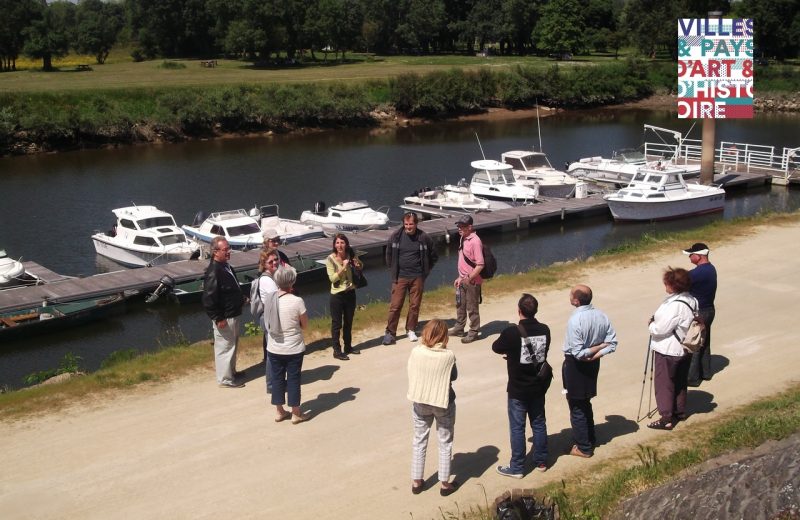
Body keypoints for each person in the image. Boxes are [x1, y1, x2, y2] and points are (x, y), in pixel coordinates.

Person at [492, 294, 551, 478]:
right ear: (536, 311)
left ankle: (517, 467)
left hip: (518, 389)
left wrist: (511, 352)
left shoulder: (512, 332)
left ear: (519, 311)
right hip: (538, 386)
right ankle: (541, 460)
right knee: (539, 423)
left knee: (518, 428)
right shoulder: (545, 330)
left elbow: (496, 347)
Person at [562, 284, 618, 458]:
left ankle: (583, 447)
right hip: (593, 363)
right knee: (585, 401)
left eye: (571, 294)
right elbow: (612, 343)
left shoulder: (575, 321)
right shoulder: (601, 315)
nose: (569, 296)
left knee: (577, 404)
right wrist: (599, 351)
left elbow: (579, 353)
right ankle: (589, 437)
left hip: (576, 365)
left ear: (576, 300)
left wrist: (593, 352)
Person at [407, 319, 459, 497]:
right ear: (444, 337)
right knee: (445, 443)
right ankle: (444, 484)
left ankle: (416, 481)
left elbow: (411, 371)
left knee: (419, 440)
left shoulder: (416, 352)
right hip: (443, 402)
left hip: (421, 400)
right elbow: (454, 376)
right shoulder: (448, 356)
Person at [647, 267, 697, 430]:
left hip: (669, 350)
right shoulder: (692, 300)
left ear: (673, 285)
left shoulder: (675, 305)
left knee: (664, 384)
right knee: (680, 381)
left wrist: (651, 325)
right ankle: (679, 411)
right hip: (685, 348)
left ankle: (666, 418)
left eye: (666, 283)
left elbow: (661, 329)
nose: (665, 286)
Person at [382, 212, 438, 345]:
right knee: (395, 306)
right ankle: (390, 333)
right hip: (400, 277)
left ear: (416, 224)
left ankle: (411, 329)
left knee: (414, 305)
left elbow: (434, 255)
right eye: (406, 224)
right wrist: (392, 270)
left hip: (417, 277)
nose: (408, 227)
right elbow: (388, 255)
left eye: (411, 224)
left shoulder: (424, 237)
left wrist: (426, 271)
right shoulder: (396, 236)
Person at [266, 266, 310, 424]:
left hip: (274, 347)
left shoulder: (270, 299)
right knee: (293, 378)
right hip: (293, 348)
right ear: (292, 282)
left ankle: (279, 411)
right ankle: (296, 412)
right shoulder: (297, 301)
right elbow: (304, 325)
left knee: (277, 378)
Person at [201, 236, 246, 388]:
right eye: (225, 249)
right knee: (225, 347)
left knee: (232, 345)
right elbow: (208, 298)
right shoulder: (214, 271)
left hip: (233, 313)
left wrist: (241, 298)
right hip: (225, 317)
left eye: (229, 248)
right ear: (215, 252)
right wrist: (218, 317)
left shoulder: (225, 266)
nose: (228, 251)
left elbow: (230, 288)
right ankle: (225, 379)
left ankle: (231, 372)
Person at [683, 242, 717, 386]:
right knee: (705, 341)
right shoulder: (711, 269)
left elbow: (680, 284)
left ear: (699, 256)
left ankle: (692, 378)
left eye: (691, 254)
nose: (689, 257)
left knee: (694, 344)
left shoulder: (696, 273)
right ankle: (706, 372)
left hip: (699, 313)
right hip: (709, 310)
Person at [326, 233, 364, 361]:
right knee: (337, 324)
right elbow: (332, 278)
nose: (340, 245)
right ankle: (337, 350)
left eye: (342, 242)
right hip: (337, 295)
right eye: (337, 243)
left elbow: (360, 266)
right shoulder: (330, 259)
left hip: (350, 293)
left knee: (349, 321)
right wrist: (343, 267)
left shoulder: (350, 255)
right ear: (334, 245)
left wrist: (358, 265)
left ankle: (348, 346)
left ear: (346, 244)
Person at [448, 215, 483, 344]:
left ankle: (474, 332)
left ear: (470, 227)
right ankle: (459, 328)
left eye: (462, 226)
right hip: (462, 279)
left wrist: (469, 277)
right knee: (460, 304)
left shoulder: (475, 241)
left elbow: (480, 264)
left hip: (472, 281)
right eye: (458, 226)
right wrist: (460, 277)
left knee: (472, 307)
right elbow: (464, 260)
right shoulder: (463, 238)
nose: (459, 229)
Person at [258, 248, 281, 394]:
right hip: (270, 318)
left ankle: (276, 381)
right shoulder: (267, 280)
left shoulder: (273, 276)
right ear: (264, 264)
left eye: (275, 260)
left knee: (275, 351)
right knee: (272, 353)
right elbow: (276, 300)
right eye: (270, 261)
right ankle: (271, 384)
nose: (274, 263)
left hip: (271, 316)